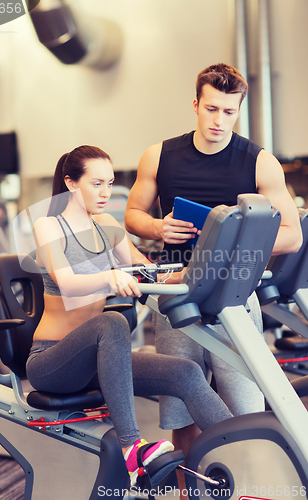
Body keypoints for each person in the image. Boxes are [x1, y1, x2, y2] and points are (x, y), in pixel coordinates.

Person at [124, 63, 303, 495]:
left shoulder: (260, 161)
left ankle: (250, 486)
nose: (218, 120)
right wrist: (157, 229)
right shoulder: (159, 154)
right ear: (195, 105)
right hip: (175, 291)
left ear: (238, 110)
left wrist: (233, 241)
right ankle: (191, 491)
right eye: (211, 109)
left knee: (243, 405)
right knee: (180, 409)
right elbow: (132, 216)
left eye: (228, 111)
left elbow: (292, 236)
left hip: (233, 293)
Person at [25, 145, 234, 489]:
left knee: (186, 372)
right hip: (53, 361)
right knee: (112, 321)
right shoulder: (49, 225)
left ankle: (242, 448)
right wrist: (109, 276)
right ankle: (132, 450)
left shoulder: (106, 225)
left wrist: (207, 267)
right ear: (71, 183)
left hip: (101, 360)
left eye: (109, 183)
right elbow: (67, 282)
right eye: (96, 184)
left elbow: (147, 272)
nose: (106, 193)